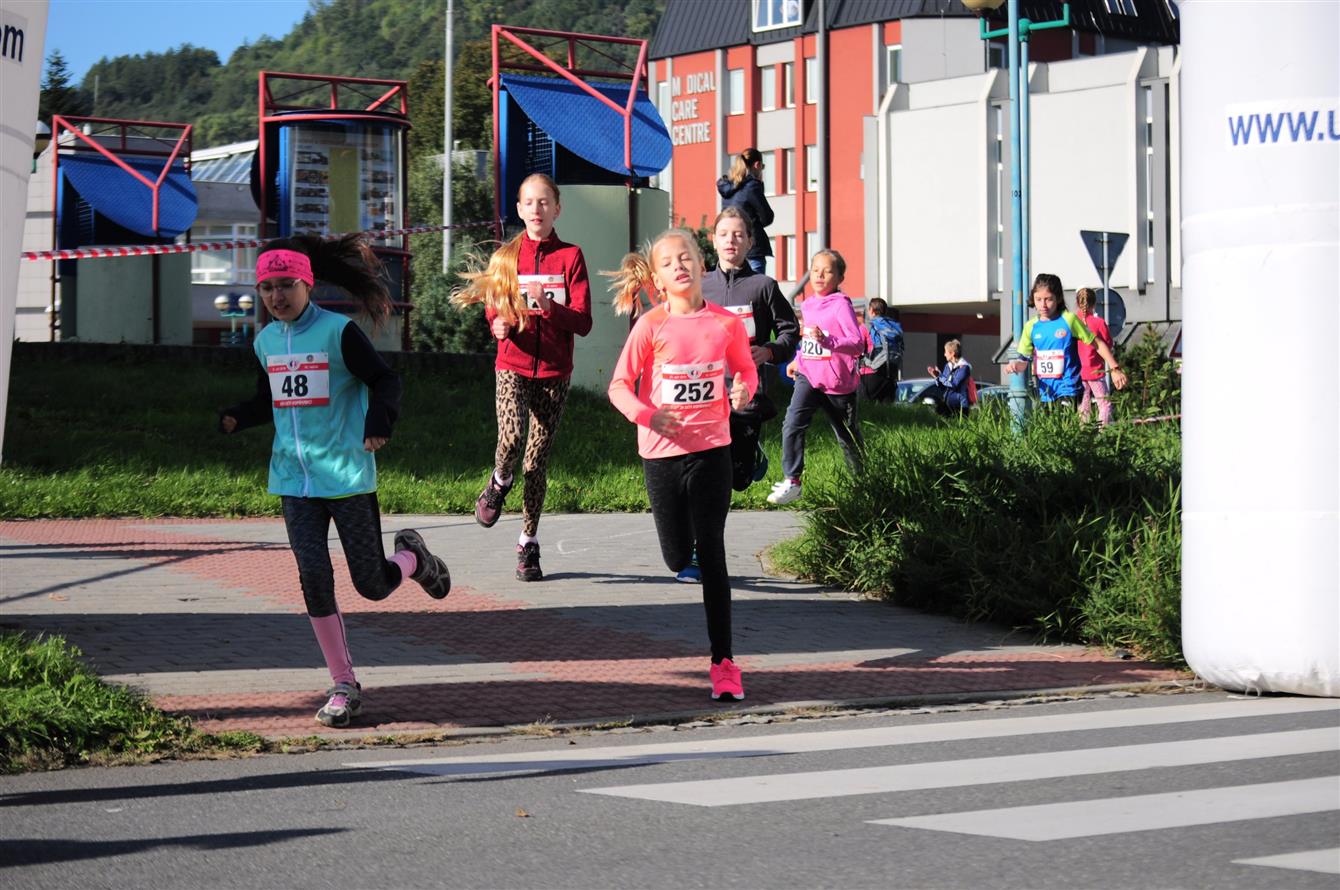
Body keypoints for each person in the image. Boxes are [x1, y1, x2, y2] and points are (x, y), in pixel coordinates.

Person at [219, 234, 450, 728]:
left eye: (286, 285)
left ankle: (413, 558)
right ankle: (344, 684)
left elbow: (385, 380)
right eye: (267, 288)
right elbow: (270, 399)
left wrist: (378, 422)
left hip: (345, 477)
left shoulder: (338, 332)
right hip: (293, 481)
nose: (277, 296)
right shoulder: (264, 342)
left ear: (308, 284)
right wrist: (239, 415)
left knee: (371, 585)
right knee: (313, 578)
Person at [607, 229, 758, 701]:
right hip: (662, 453)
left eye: (687, 257)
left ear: (701, 264)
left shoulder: (725, 324)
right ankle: (685, 543)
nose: (680, 265)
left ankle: (724, 663)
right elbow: (618, 386)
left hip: (712, 449)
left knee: (712, 551)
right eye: (669, 261)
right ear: (657, 278)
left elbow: (746, 369)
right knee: (677, 557)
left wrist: (744, 390)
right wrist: (649, 415)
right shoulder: (650, 326)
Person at [452, 173, 592, 582]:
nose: (537, 209)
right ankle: (498, 481)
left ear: (557, 209)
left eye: (544, 202)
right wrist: (496, 324)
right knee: (511, 439)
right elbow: (494, 308)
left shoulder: (571, 257)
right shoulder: (505, 258)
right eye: (529, 202)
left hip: (553, 373)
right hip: (511, 365)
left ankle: (527, 544)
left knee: (535, 462)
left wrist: (550, 308)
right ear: (519, 209)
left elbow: (583, 322)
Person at [702, 205, 800, 493]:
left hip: (746, 394)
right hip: (706, 392)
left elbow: (790, 332)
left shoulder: (763, 286)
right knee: (709, 474)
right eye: (724, 234)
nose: (730, 240)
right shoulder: (700, 287)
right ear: (714, 241)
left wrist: (769, 351)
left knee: (738, 479)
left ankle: (749, 454)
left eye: (738, 235)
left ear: (750, 242)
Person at [768, 249, 865, 506]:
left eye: (827, 271)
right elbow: (810, 341)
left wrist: (829, 341)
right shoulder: (808, 304)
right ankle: (792, 480)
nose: (820, 275)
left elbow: (857, 344)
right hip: (809, 376)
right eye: (815, 270)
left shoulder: (841, 305)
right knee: (792, 423)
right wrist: (797, 360)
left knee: (847, 436)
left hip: (837, 383)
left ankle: (863, 484)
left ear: (840, 277)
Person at [1005, 273, 1127, 410]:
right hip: (1046, 392)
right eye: (1038, 299)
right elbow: (1024, 361)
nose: (1043, 305)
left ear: (1058, 298)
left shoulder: (1069, 320)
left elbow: (1097, 343)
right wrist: (1015, 365)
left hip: (1070, 389)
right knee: (1050, 423)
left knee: (1069, 420)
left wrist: (1115, 369)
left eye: (1048, 299)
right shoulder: (1030, 327)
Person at [716, 148, 774, 276]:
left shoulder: (727, 188)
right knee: (756, 286)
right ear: (757, 165)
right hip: (752, 248)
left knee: (733, 285)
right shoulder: (752, 186)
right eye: (762, 167)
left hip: (731, 249)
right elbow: (767, 217)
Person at [1074, 286, 1116, 426]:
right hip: (1095, 371)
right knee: (1104, 404)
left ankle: (1083, 431)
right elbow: (1108, 344)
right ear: (1094, 303)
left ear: (1077, 303)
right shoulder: (1099, 323)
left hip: (1078, 372)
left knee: (1083, 406)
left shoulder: (1072, 322)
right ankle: (1103, 431)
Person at [858, 299, 903, 403]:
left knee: (866, 407)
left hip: (871, 373)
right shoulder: (893, 326)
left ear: (871, 310)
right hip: (891, 373)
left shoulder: (866, 327)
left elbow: (857, 349)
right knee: (887, 409)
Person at [923, 339, 974, 417]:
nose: (944, 354)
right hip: (947, 404)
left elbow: (954, 385)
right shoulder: (947, 366)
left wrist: (940, 376)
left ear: (952, 353)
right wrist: (937, 377)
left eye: (945, 352)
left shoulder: (964, 367)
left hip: (960, 406)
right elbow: (943, 387)